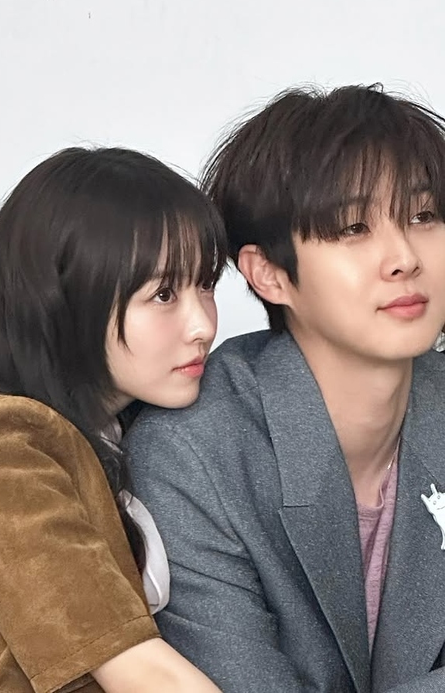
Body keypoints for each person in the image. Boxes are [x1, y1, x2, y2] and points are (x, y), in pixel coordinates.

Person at [0, 147, 227, 693]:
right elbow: (138, 670)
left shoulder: (119, 432)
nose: (203, 325)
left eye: (206, 284)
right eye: (163, 294)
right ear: (67, 301)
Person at [125, 85, 445, 693]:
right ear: (269, 274)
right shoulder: (193, 453)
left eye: (424, 215)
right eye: (353, 227)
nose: (404, 257)